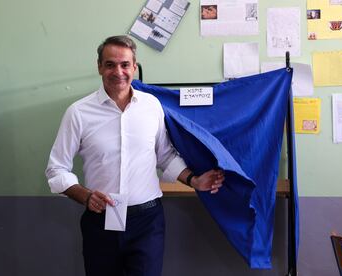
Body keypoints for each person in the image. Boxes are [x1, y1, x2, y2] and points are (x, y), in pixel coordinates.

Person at [45, 35, 224, 276]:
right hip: (101, 221)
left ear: (134, 67)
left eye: (124, 64)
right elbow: (56, 170)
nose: (118, 71)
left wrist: (194, 181)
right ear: (99, 67)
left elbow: (165, 155)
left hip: (147, 222)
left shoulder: (152, 106)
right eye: (110, 64)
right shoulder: (78, 113)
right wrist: (85, 196)